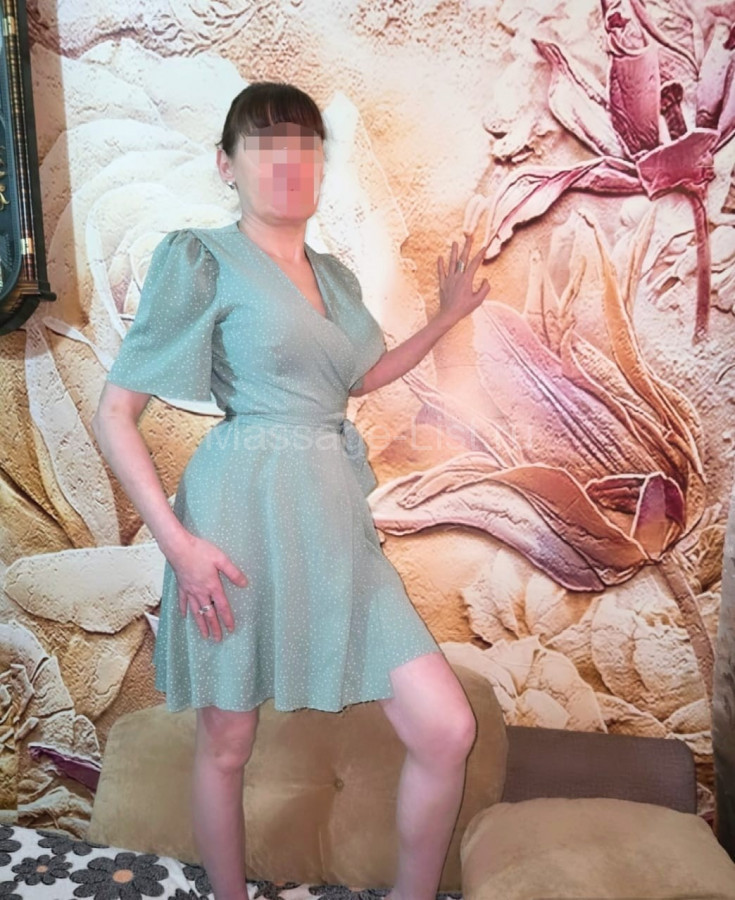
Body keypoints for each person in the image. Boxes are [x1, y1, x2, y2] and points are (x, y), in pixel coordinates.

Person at [92, 81, 491, 900]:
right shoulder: (200, 257)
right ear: (226, 164)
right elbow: (114, 413)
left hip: (336, 522)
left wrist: (445, 317)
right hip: (237, 517)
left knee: (447, 728)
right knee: (227, 742)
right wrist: (180, 546)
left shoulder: (334, 277)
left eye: (304, 146)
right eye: (265, 146)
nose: (288, 163)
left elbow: (357, 377)